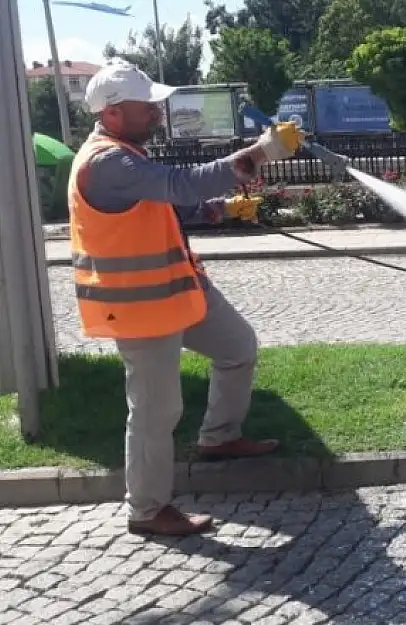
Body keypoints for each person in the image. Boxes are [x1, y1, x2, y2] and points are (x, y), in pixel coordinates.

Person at [68, 61, 302, 536]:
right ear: (112, 113)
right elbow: (179, 185)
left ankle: (219, 437)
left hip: (175, 295)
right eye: (146, 103)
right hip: (138, 308)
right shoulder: (108, 161)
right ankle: (147, 510)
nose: (158, 109)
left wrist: (219, 209)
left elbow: (167, 203)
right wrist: (262, 151)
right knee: (156, 410)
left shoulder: (127, 153)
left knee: (238, 347)